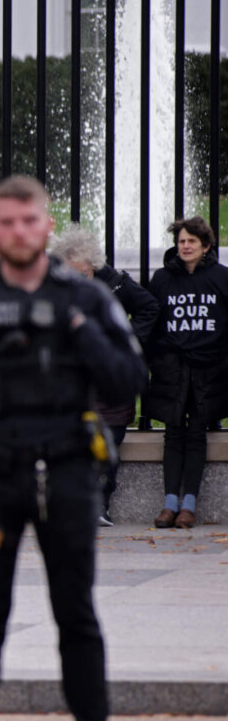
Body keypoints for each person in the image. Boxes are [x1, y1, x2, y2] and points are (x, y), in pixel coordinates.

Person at [0, 175, 146, 721]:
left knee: (77, 616)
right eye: (7, 222)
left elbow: (129, 378)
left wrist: (79, 329)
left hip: (66, 474)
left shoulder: (83, 294)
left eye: (29, 220)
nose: (18, 232)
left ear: (47, 226)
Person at [50, 224, 159, 526]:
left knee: (108, 440)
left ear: (93, 265)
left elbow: (149, 307)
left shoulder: (114, 283)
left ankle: (100, 503)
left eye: (82, 273)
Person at [144, 216, 228, 530]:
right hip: (173, 368)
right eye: (181, 241)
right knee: (173, 433)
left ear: (206, 245)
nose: (186, 246)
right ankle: (169, 504)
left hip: (209, 368)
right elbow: (153, 321)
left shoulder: (221, 277)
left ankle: (188, 505)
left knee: (197, 434)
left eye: (192, 241)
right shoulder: (163, 279)